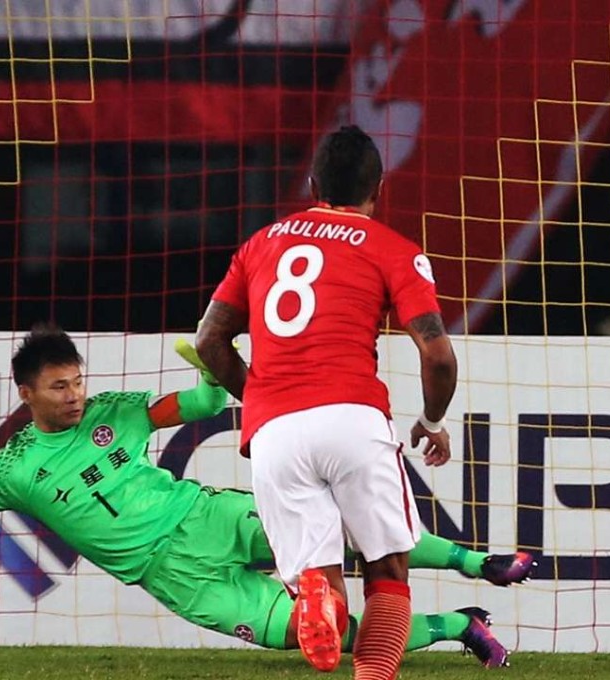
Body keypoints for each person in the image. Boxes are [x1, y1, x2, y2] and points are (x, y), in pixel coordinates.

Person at [0, 324, 526, 666]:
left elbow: (200, 408)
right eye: (59, 387)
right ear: (27, 393)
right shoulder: (9, 469)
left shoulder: (114, 412)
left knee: (354, 539)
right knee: (314, 634)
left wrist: (206, 372)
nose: (75, 395)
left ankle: (479, 562)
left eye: (78, 380)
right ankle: (458, 626)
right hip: (175, 577)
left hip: (208, 516)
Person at [196, 125, 458, 678]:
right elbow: (437, 355)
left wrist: (263, 398)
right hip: (352, 417)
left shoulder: (260, 244)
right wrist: (432, 420)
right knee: (387, 571)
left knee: (323, 588)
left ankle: (321, 598)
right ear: (378, 188)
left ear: (313, 183)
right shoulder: (393, 249)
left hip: (276, 436)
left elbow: (208, 340)